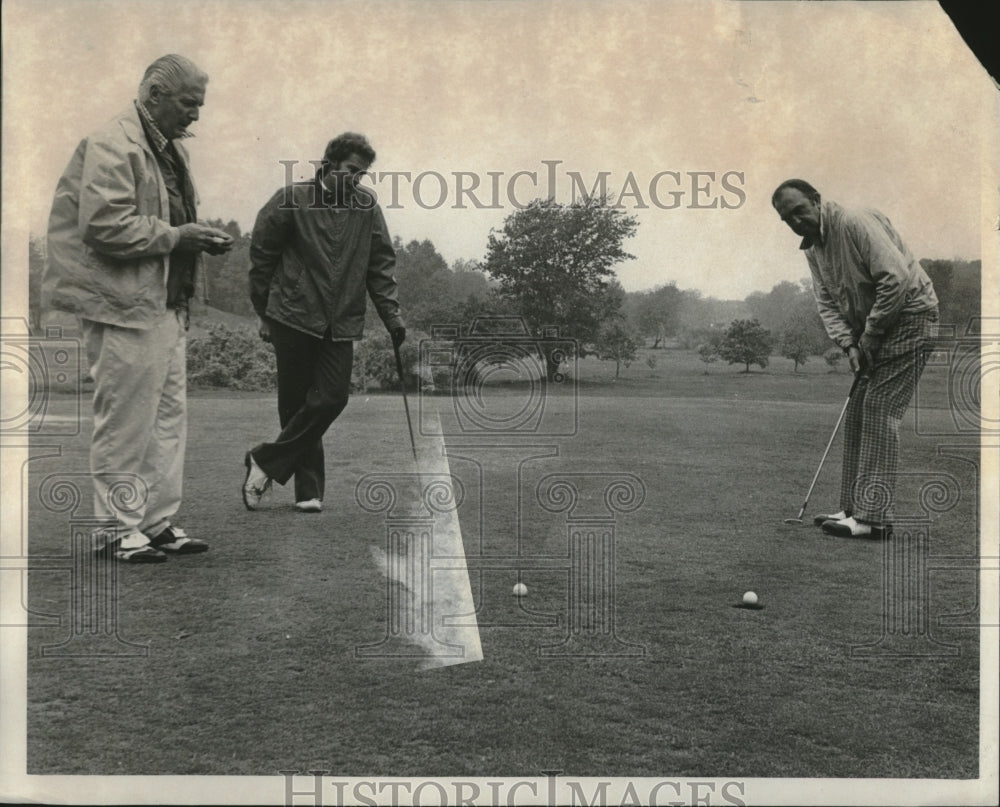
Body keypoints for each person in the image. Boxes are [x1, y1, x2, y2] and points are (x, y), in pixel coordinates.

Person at [44, 54, 234, 563]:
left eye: (199, 105)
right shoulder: (113, 142)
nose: (196, 115)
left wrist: (192, 240)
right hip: (123, 305)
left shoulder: (168, 149)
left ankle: (155, 522)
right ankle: (114, 529)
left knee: (168, 420)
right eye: (189, 104)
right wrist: (178, 236)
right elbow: (102, 224)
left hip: (165, 305)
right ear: (154, 94)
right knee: (127, 421)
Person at [243, 133, 405, 512]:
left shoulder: (366, 207)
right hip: (292, 316)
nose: (357, 180)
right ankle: (308, 492)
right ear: (330, 163)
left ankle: (264, 461)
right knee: (296, 404)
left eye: (362, 174)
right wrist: (262, 312)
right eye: (351, 170)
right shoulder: (292, 199)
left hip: (341, 321)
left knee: (332, 397)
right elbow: (261, 256)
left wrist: (392, 316)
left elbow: (380, 265)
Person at [771, 179, 938, 539]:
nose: (795, 221)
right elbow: (827, 304)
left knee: (879, 409)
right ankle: (851, 508)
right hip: (872, 332)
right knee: (859, 410)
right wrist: (849, 346)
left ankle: (872, 519)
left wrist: (871, 336)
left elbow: (894, 278)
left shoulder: (854, 222)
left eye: (799, 210)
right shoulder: (812, 249)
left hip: (912, 317)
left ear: (816, 201)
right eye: (787, 218)